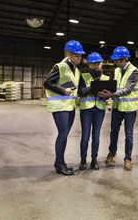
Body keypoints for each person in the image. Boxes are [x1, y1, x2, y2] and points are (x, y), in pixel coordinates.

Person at [44, 40, 84, 175]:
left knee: (64, 134)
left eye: (80, 55)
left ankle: (59, 162)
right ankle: (60, 164)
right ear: (68, 54)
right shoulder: (60, 67)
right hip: (60, 106)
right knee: (62, 134)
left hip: (70, 106)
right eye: (76, 55)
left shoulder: (77, 70)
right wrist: (63, 90)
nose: (79, 58)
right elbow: (48, 83)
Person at [98, 46, 138, 171]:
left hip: (129, 108)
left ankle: (128, 159)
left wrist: (111, 95)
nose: (114, 62)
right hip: (117, 107)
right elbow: (114, 86)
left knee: (129, 134)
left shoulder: (135, 72)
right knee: (114, 132)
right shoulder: (117, 70)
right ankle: (112, 153)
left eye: (116, 60)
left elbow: (128, 90)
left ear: (123, 60)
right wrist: (105, 91)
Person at [78, 52, 109, 170]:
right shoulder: (84, 76)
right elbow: (80, 92)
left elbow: (109, 94)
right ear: (89, 65)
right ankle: (83, 160)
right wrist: (93, 87)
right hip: (86, 110)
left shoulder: (106, 78)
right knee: (85, 136)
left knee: (96, 135)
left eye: (98, 64)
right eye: (93, 64)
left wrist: (105, 95)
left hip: (99, 110)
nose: (96, 66)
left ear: (101, 64)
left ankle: (94, 160)